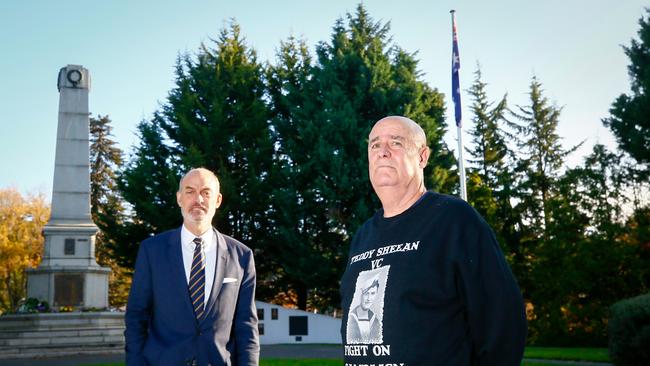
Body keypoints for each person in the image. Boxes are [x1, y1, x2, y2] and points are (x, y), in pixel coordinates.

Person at [340, 116, 527, 365]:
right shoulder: (363, 235)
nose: (382, 152)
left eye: (395, 142)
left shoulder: (454, 220)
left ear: (422, 156)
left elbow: (502, 322)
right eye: (375, 145)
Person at [125, 168, 259, 366]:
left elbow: (246, 325)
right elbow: (136, 317)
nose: (199, 199)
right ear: (180, 198)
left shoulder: (241, 256)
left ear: (218, 200)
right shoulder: (152, 251)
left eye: (206, 192)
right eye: (190, 191)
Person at [346, 275, 382, 343]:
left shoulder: (375, 320)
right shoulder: (351, 317)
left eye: (373, 293)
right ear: (360, 294)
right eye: (366, 293)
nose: (369, 298)